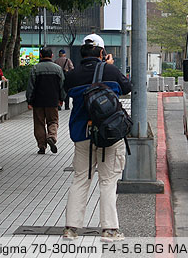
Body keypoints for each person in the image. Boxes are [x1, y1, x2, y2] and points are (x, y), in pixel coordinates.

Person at [62, 34, 131, 242]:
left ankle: (71, 229)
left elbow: (66, 92)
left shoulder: (73, 75)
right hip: (108, 134)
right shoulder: (110, 70)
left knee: (81, 179)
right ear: (102, 52)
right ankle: (109, 231)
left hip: (82, 134)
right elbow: (127, 87)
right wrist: (107, 65)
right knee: (108, 181)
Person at [26, 46, 65, 154]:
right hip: (52, 101)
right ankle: (51, 137)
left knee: (39, 123)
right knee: (53, 121)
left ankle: (42, 146)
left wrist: (29, 101)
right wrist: (61, 98)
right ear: (52, 56)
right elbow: (62, 85)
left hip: (38, 101)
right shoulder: (57, 69)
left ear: (41, 55)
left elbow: (30, 86)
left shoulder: (35, 68)